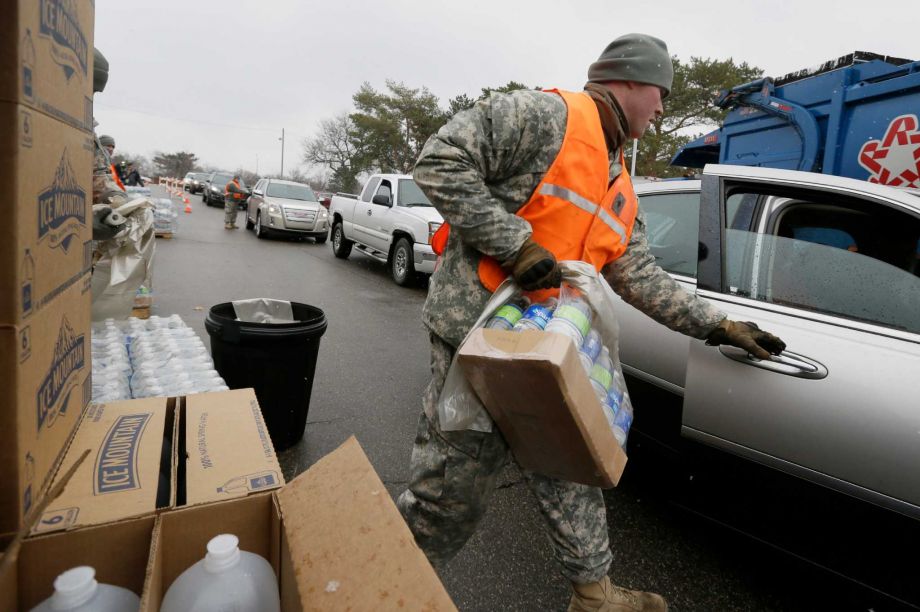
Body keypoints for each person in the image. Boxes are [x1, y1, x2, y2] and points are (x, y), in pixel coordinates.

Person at [396, 33, 787, 612]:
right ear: (628, 80)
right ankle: (376, 579)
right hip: (480, 344)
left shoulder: (621, 183)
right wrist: (515, 245)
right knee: (452, 493)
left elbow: (638, 273)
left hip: (553, 351)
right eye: (659, 93)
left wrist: (717, 325)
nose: (661, 109)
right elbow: (439, 160)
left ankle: (594, 597)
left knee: (572, 470)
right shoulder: (543, 115)